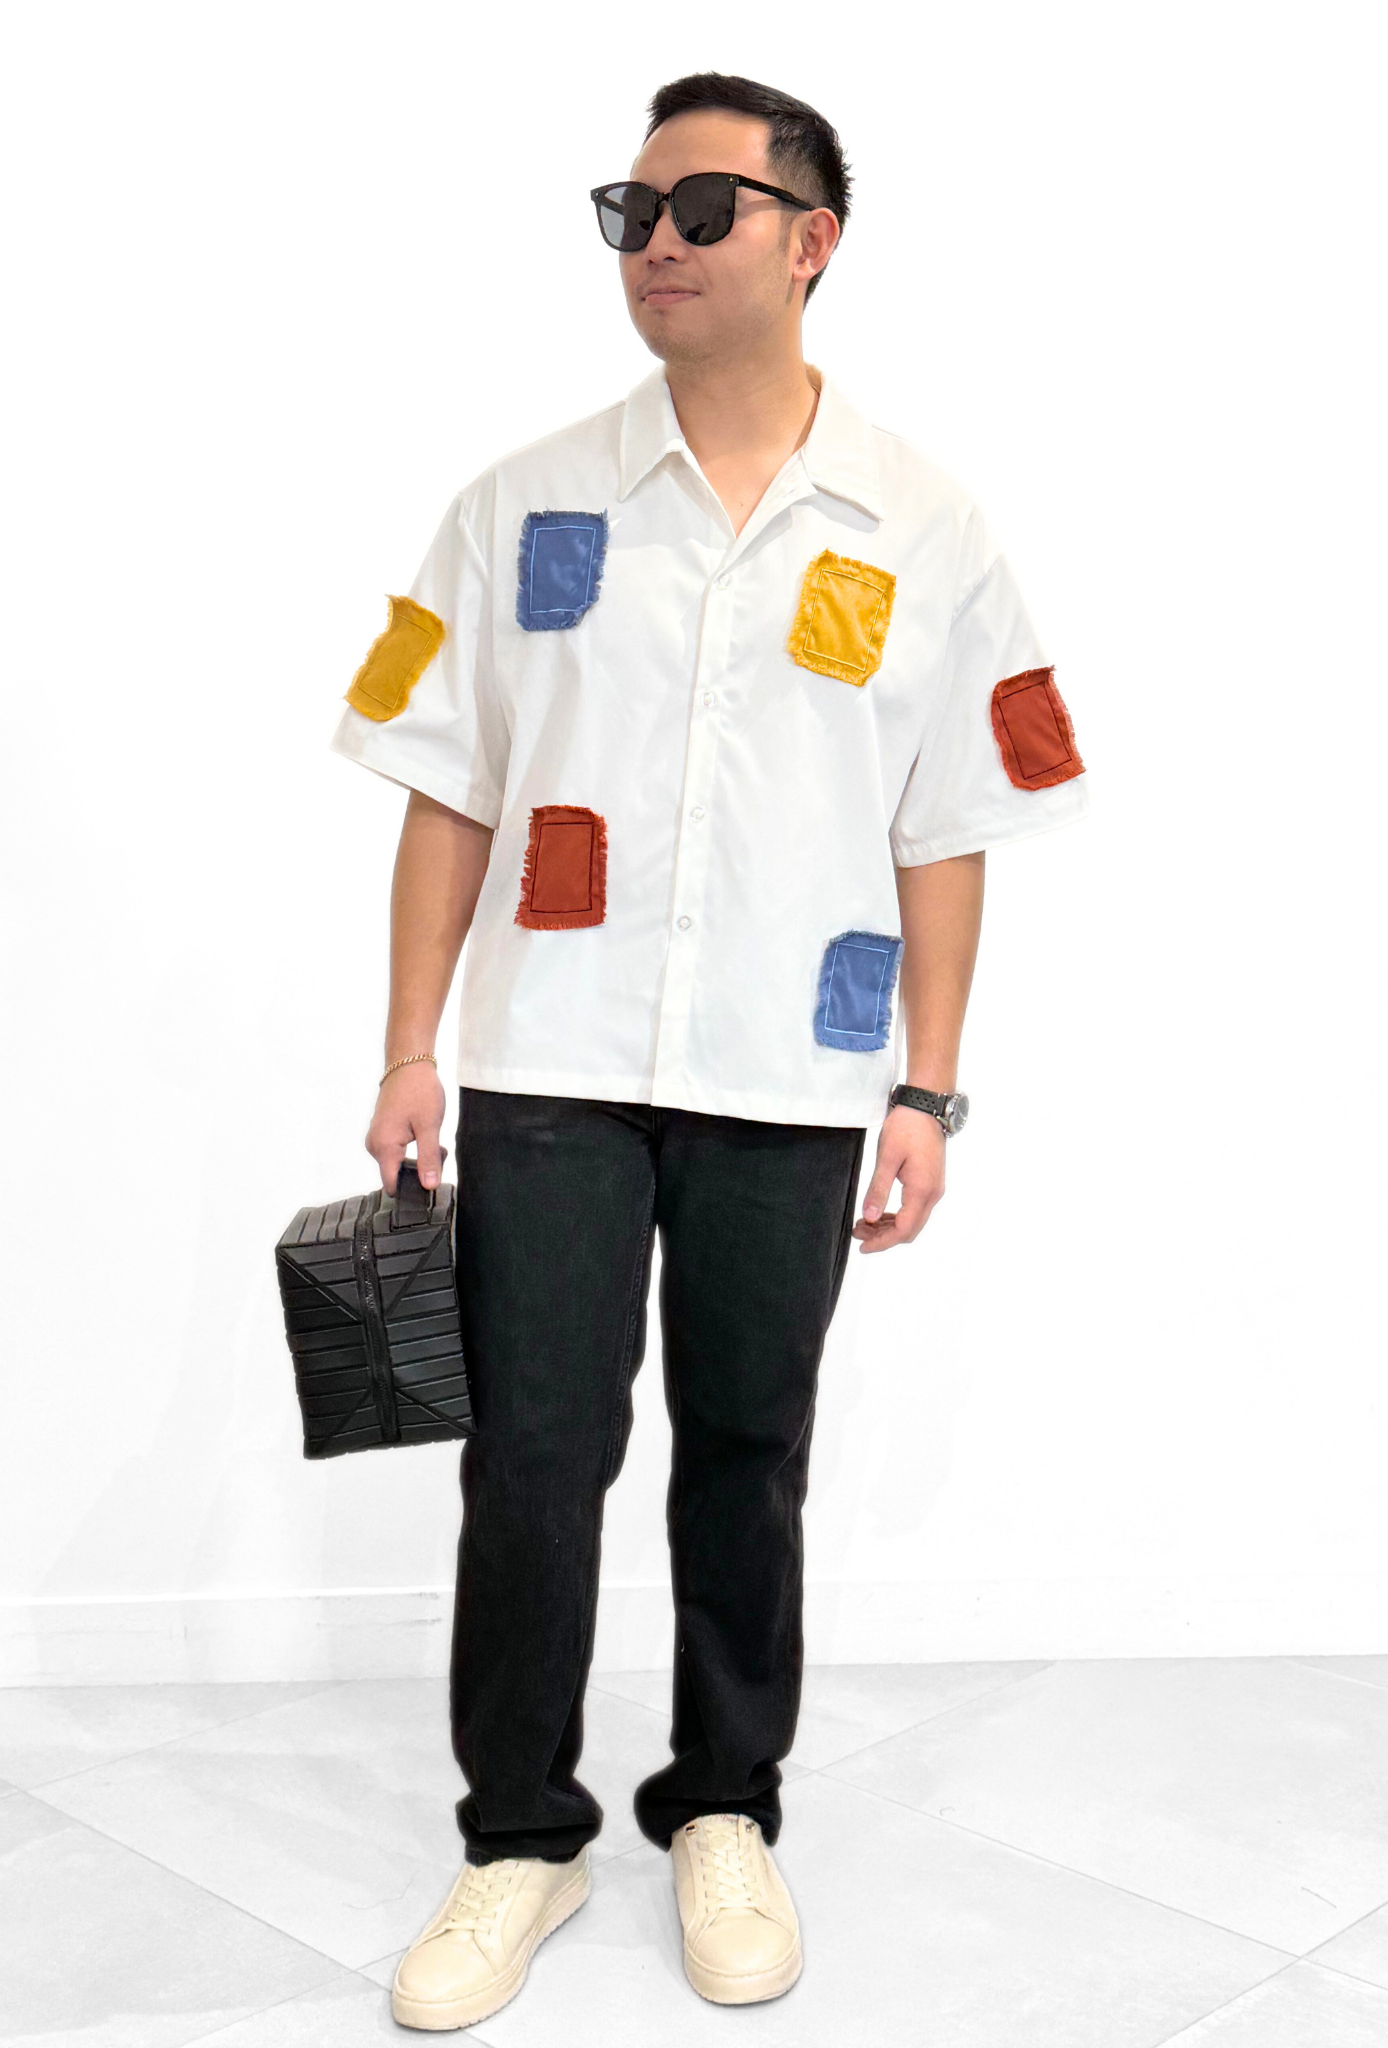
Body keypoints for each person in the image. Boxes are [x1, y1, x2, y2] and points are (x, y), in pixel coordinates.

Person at [331, 70, 1089, 2031]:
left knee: (749, 1456)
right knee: (535, 1455)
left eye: (699, 210)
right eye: (630, 211)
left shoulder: (926, 527)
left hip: (793, 1077)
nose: (652, 244)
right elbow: (445, 789)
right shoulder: (518, 507)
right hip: (552, 1063)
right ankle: (520, 1834)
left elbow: (949, 823)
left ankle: (725, 1807)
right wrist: (409, 1047)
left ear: (811, 242)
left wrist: (927, 1084)